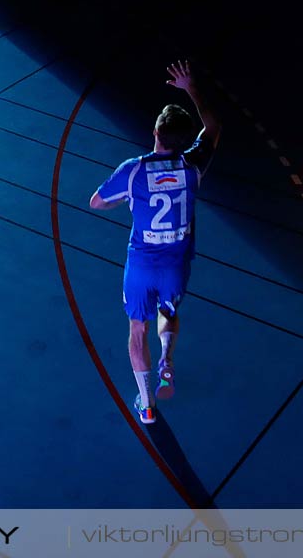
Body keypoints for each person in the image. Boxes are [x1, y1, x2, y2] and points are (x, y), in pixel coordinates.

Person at [89, 61, 222, 425]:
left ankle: (147, 405)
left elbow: (96, 202)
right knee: (169, 312)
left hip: (142, 265)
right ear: (184, 140)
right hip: (176, 265)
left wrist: (127, 199)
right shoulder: (194, 166)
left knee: (136, 330)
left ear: (155, 133)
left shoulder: (134, 170)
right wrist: (191, 87)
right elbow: (213, 126)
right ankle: (167, 356)